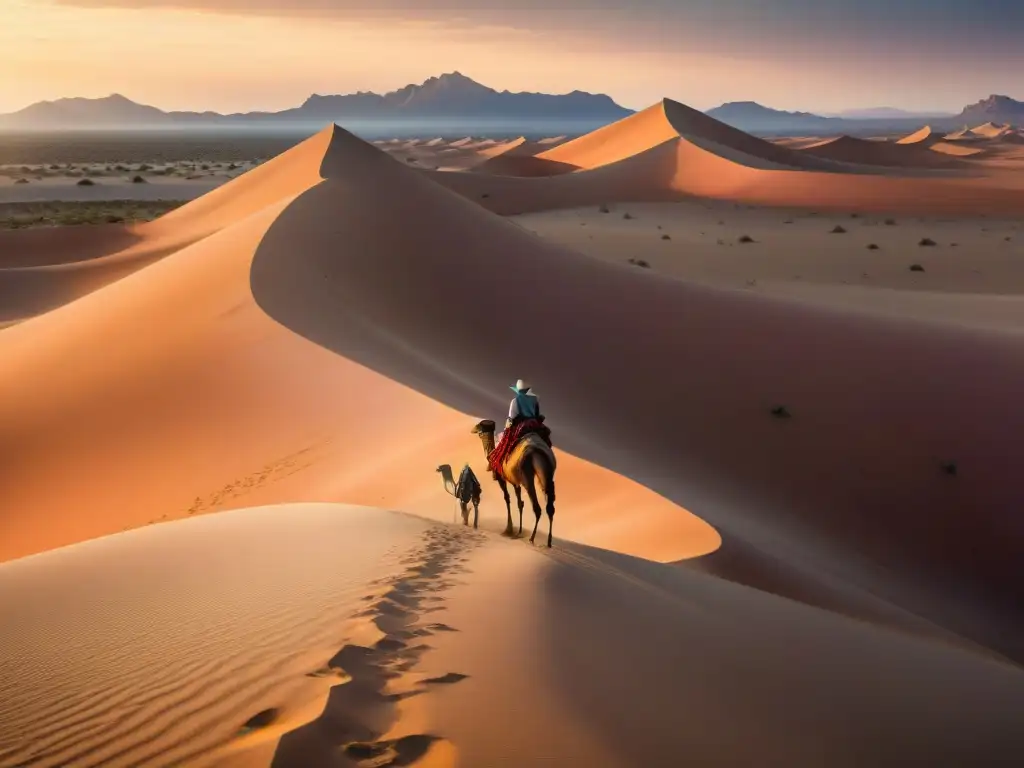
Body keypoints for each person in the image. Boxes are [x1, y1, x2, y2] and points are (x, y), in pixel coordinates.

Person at [489, 379, 552, 477]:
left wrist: (507, 426)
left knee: (505, 443)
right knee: (545, 438)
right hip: (534, 424)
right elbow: (537, 414)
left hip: (521, 425)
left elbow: (511, 417)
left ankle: (498, 467)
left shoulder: (515, 401)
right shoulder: (534, 399)